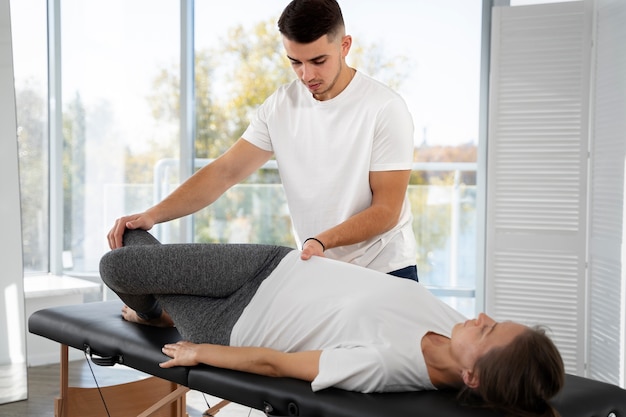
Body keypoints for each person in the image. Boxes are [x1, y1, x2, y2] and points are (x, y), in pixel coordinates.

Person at [107, 0, 418, 281]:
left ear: (345, 46)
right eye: (295, 62)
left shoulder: (384, 108)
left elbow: (386, 210)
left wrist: (322, 240)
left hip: (385, 270)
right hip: (321, 267)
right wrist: (152, 215)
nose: (306, 74)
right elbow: (224, 172)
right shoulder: (280, 106)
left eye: (318, 60)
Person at [100, 230, 565, 417]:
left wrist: (198, 350)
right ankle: (154, 309)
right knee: (133, 243)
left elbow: (275, 364)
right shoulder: (455, 324)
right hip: (270, 265)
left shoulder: (387, 366)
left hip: (235, 322)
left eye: (487, 331)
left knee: (117, 266)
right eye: (495, 320)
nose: (481, 318)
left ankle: (156, 312)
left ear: (472, 376)